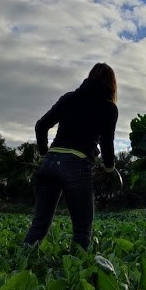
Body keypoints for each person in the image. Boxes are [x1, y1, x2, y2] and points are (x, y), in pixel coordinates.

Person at [23, 63, 118, 250]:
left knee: (39, 224)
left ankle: (19, 268)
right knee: (82, 229)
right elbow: (107, 143)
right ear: (111, 84)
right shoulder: (108, 107)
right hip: (77, 164)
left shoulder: (69, 98)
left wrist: (44, 154)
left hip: (49, 164)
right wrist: (109, 168)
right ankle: (75, 274)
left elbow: (41, 126)